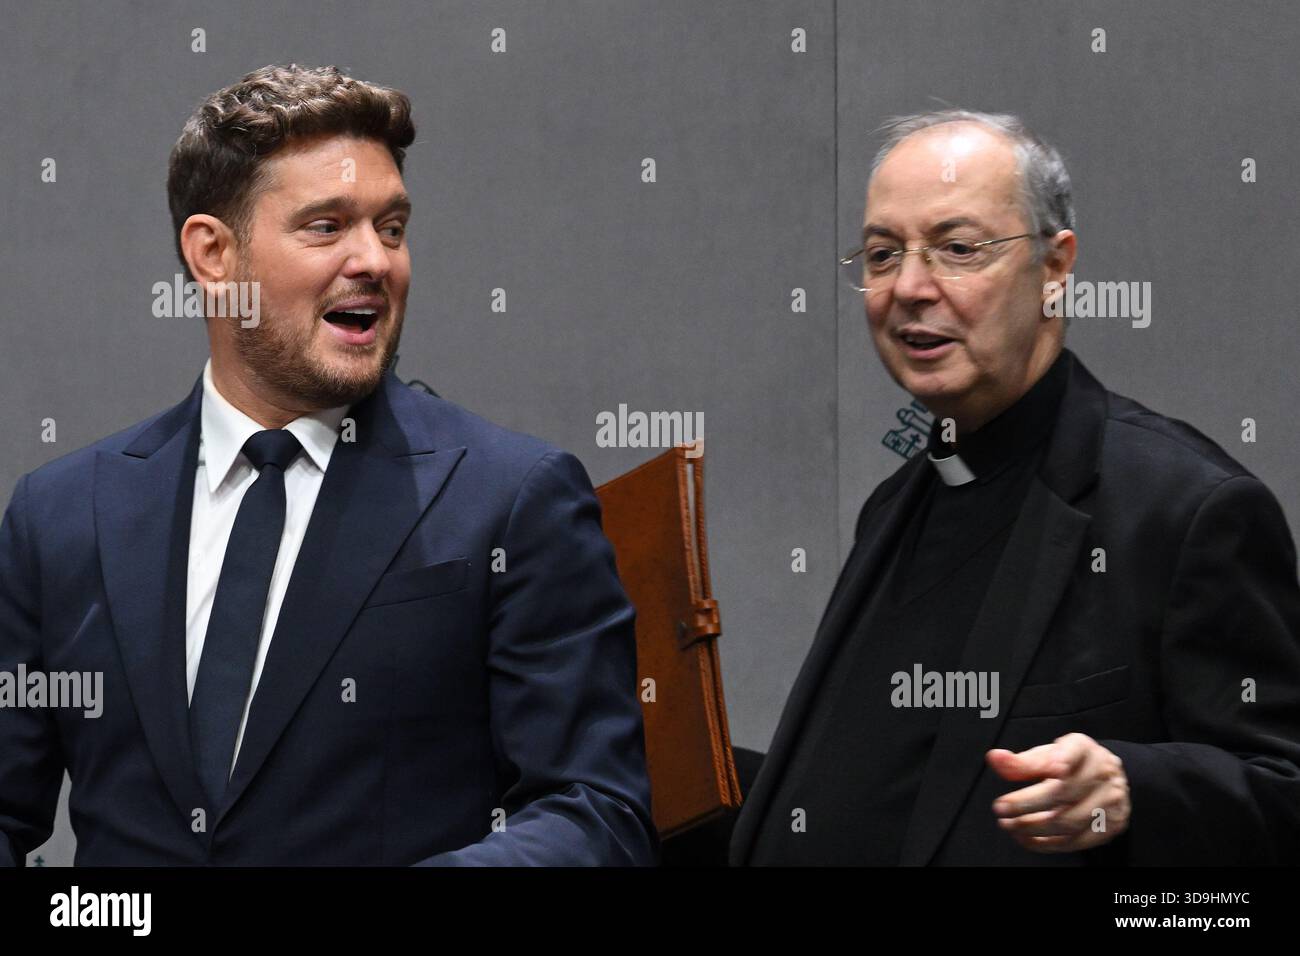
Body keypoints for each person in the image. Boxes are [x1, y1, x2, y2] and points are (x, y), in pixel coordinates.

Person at [0, 64, 656, 866]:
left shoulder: (511, 498)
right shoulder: (60, 515)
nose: (375, 261)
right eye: (326, 226)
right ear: (212, 254)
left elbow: (595, 815)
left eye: (391, 226)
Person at [731, 109, 1300, 865]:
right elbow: (885, 787)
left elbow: (1282, 791)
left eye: (957, 249)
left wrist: (1135, 788)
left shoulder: (1185, 508)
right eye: (880, 254)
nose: (908, 287)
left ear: (1056, 268)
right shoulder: (897, 503)